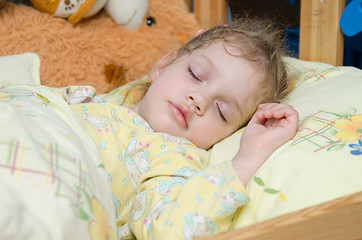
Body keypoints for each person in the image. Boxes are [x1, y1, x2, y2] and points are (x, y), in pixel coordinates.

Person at [70, 17, 299, 240]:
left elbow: (174, 229)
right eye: (195, 75)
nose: (199, 98)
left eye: (221, 111)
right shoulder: (103, 100)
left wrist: (250, 154)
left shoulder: (172, 157)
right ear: (163, 65)